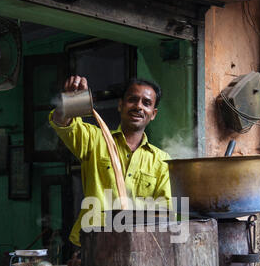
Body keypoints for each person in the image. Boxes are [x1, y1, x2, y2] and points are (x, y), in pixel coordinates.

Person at [49, 75, 171, 246]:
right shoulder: (95, 140)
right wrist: (71, 100)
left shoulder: (162, 161)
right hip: (91, 244)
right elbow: (63, 124)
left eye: (146, 103)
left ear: (153, 114)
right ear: (120, 105)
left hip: (139, 246)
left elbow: (164, 212)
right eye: (132, 100)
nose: (138, 107)